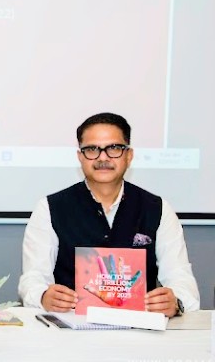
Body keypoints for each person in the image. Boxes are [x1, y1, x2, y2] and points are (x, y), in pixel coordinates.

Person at [18, 112, 200, 317]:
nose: (103, 158)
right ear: (80, 157)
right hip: (69, 326)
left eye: (114, 148)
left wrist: (176, 301)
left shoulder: (158, 208)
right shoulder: (50, 208)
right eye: (92, 149)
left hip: (140, 328)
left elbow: (180, 277)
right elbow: (33, 278)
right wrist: (43, 296)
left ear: (129, 155)